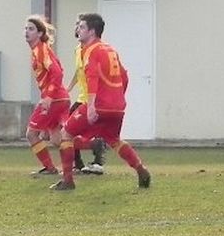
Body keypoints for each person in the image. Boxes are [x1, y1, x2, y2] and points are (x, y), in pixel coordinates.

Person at [51, 12, 151, 192]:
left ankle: (67, 180)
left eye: (81, 27)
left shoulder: (91, 50)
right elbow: (125, 77)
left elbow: (93, 78)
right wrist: (119, 97)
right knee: (114, 140)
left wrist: (90, 106)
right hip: (117, 107)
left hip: (98, 105)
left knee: (66, 134)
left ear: (92, 31)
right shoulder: (110, 49)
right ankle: (141, 169)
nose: (78, 30)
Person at [24, 15, 70, 177]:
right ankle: (93, 144)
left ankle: (50, 168)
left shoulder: (41, 50)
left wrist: (49, 97)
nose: (26, 32)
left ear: (40, 33)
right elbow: (59, 70)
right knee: (58, 140)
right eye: (26, 28)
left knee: (31, 133)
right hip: (60, 98)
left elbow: (57, 73)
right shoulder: (39, 50)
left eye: (31, 29)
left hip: (55, 99)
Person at [65, 18, 106, 175]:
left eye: (81, 26)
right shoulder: (78, 50)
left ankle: (97, 160)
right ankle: (79, 163)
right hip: (82, 97)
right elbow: (79, 71)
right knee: (69, 129)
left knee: (76, 130)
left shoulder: (95, 49)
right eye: (77, 25)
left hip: (92, 98)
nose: (77, 28)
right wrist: (69, 87)